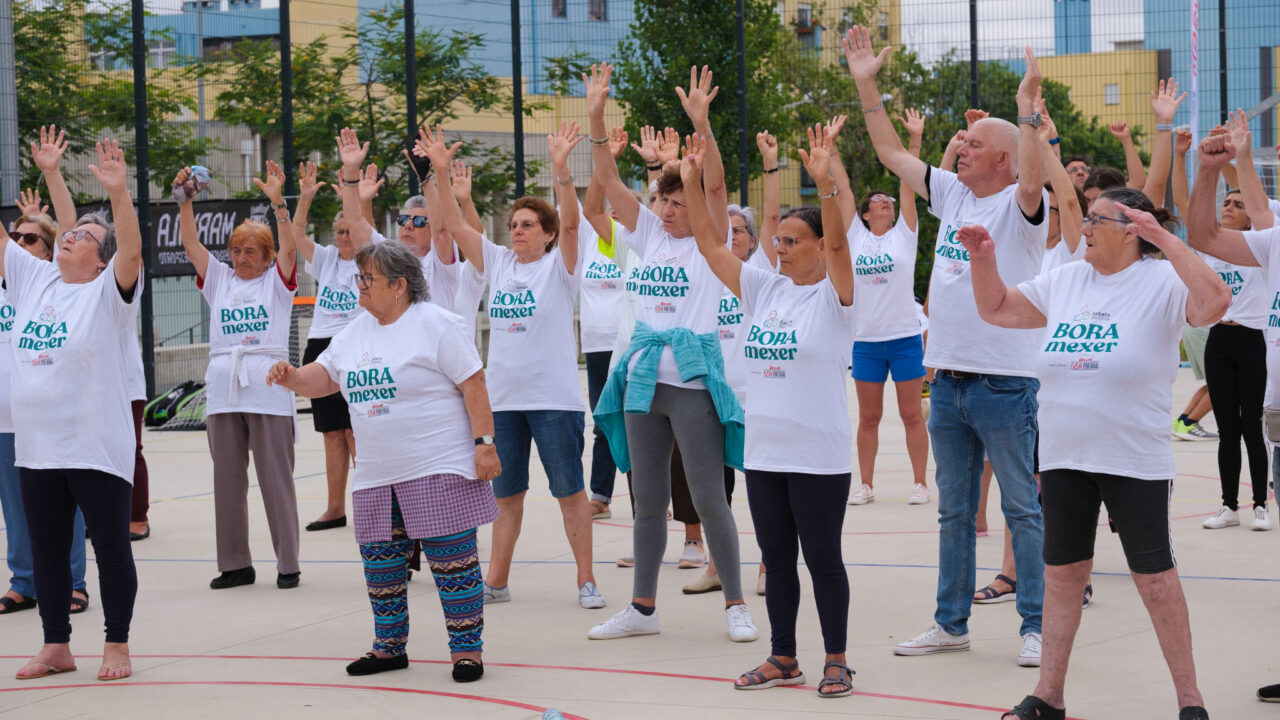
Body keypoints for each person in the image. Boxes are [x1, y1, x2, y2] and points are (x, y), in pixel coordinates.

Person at [963, 184, 1225, 720]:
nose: (1083, 229)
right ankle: (1048, 695)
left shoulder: (1161, 281)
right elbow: (996, 309)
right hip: (1063, 457)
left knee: (1154, 580)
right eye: (1084, 221)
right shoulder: (1066, 280)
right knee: (1062, 575)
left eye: (1095, 222)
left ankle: (1190, 700)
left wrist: (1164, 240)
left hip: (1133, 459)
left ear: (1132, 230)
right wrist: (983, 259)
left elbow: (1214, 303)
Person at [845, 27, 1046, 665]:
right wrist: (864, 81)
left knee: (1021, 509)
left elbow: (1036, 166)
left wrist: (1027, 109)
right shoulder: (953, 194)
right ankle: (950, 623)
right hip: (951, 384)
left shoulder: (1022, 204)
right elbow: (887, 151)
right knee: (954, 512)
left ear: (1005, 161)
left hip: (1006, 384)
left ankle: (1035, 626)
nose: (963, 148)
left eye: (976, 145)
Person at [267, 241, 499, 682]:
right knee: (381, 566)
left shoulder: (436, 324)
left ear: (399, 286)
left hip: (437, 465)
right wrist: (294, 377)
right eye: (359, 277)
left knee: (453, 565)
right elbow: (326, 376)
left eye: (368, 278)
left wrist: (484, 444)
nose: (360, 286)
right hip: (376, 474)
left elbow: (474, 383)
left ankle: (467, 652)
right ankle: (389, 647)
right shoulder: (355, 331)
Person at [585, 63, 758, 643]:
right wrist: (595, 115)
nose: (667, 208)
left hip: (690, 379)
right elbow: (609, 183)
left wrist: (701, 126)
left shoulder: (709, 243)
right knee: (648, 500)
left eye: (677, 201)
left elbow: (713, 188)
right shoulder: (648, 233)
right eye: (663, 199)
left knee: (709, 497)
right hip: (640, 379)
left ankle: (735, 602)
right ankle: (642, 608)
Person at [686, 125, 857, 695]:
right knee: (777, 561)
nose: (777, 248)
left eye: (790, 241)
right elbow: (712, 248)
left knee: (823, 560)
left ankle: (837, 658)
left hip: (818, 454)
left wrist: (826, 181)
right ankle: (784, 656)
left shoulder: (833, 296)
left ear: (814, 246)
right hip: (766, 453)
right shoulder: (765, 289)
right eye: (776, 239)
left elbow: (838, 246)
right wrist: (690, 181)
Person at [421, 121, 604, 609]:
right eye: (515, 224)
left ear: (545, 236)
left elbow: (571, 223)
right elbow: (454, 227)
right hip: (503, 403)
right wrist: (441, 175)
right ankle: (496, 582)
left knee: (571, 495)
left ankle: (586, 580)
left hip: (554, 401)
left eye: (528, 225)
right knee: (506, 498)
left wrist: (562, 171)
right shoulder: (499, 262)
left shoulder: (560, 268)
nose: (518, 230)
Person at [9, 137, 145, 682]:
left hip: (93, 444)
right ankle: (56, 645)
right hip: (38, 447)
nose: (69, 238)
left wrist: (118, 195)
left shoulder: (108, 293)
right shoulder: (35, 278)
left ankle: (117, 644)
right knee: (45, 550)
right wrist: (51, 175)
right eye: (68, 234)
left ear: (101, 260)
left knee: (110, 546)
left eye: (84, 238)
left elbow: (130, 248)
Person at [176, 161, 301, 591]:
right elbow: (190, 242)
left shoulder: (277, 284)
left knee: (275, 479)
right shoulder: (220, 281)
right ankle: (235, 564)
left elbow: (290, 249)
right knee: (227, 480)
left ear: (266, 258)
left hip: (267, 386)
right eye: (236, 249)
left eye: (252, 251)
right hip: (225, 391)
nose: (242, 257)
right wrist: (185, 201)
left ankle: (288, 563)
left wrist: (278, 205)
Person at [0, 187, 88, 617]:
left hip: (50, 419)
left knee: (63, 506)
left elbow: (70, 230)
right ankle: (24, 582)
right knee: (15, 509)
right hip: (5, 418)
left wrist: (53, 174)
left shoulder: (58, 291)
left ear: (53, 250)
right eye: (15, 238)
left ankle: (74, 581)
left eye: (30, 238)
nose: (19, 244)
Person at [839, 108, 929, 507]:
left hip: (905, 337)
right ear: (865, 213)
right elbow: (840, 191)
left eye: (889, 199)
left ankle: (920, 483)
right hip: (867, 341)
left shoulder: (904, 236)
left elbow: (909, 182)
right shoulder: (856, 237)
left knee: (912, 415)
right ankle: (867, 485)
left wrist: (914, 141)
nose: (887, 202)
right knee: (869, 418)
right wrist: (831, 153)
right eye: (878, 200)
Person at [293, 160, 364, 533]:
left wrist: (357, 197)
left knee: (356, 432)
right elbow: (296, 233)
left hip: (353, 344)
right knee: (332, 432)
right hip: (321, 345)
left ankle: (370, 503)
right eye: (338, 231)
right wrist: (304, 198)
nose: (342, 236)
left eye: (348, 230)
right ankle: (334, 509)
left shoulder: (371, 258)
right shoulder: (326, 259)